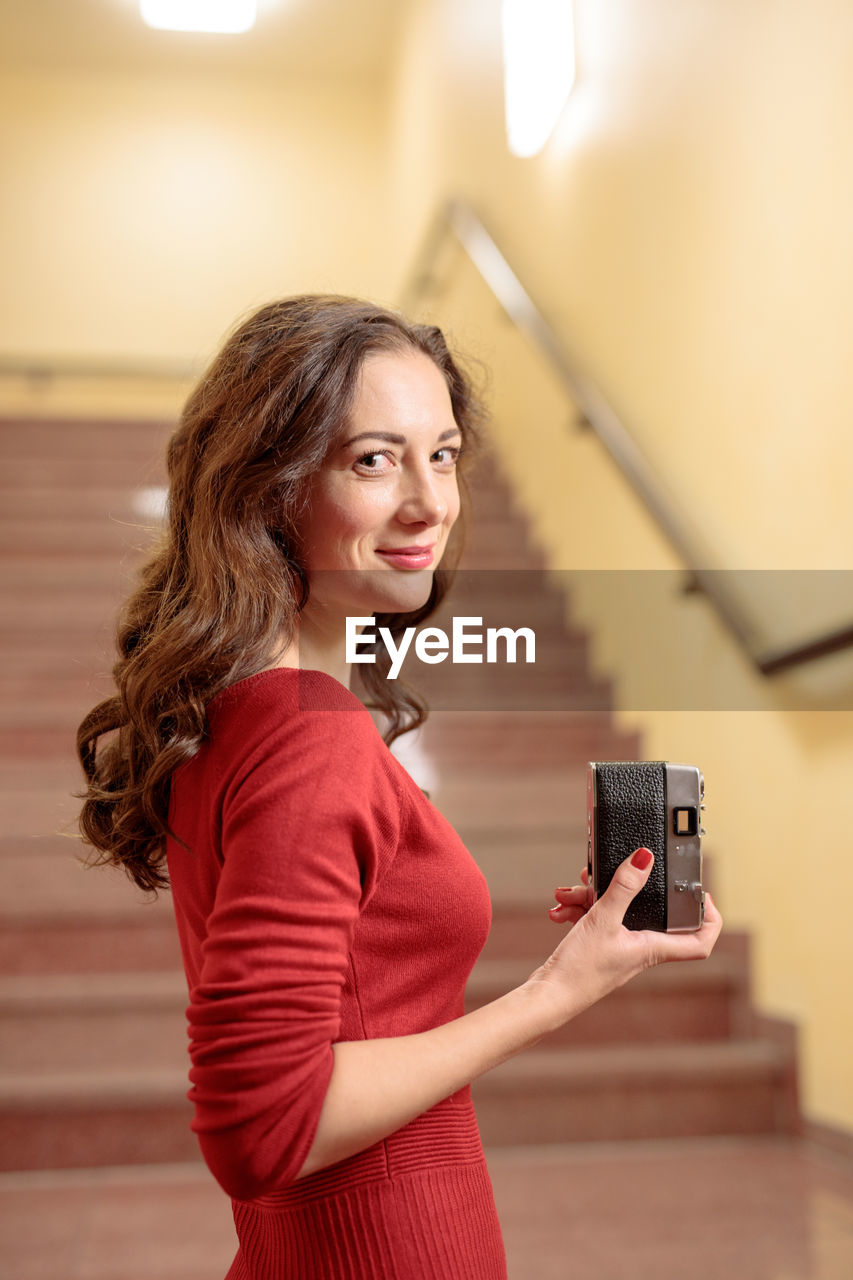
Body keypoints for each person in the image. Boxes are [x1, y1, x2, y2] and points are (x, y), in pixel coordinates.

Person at [77, 295, 723, 1280]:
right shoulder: (309, 742)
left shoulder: (244, 709)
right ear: (270, 487)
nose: (430, 499)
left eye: (445, 451)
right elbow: (260, 1126)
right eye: (373, 459)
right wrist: (559, 988)